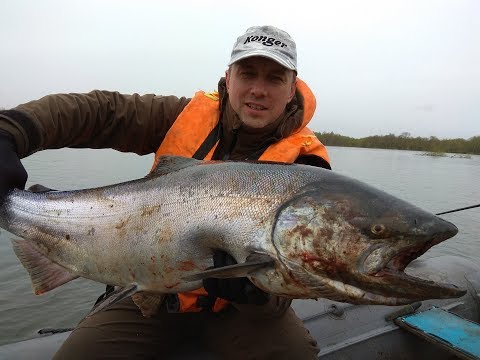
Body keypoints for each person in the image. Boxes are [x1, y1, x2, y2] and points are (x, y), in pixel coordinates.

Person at [0, 25, 331, 359]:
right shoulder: (180, 116)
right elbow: (101, 112)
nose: (258, 90)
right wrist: (9, 132)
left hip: (241, 313)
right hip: (150, 296)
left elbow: (304, 273)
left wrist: (257, 296)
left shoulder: (308, 168)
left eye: (274, 78)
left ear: (292, 89)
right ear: (229, 78)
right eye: (248, 74)